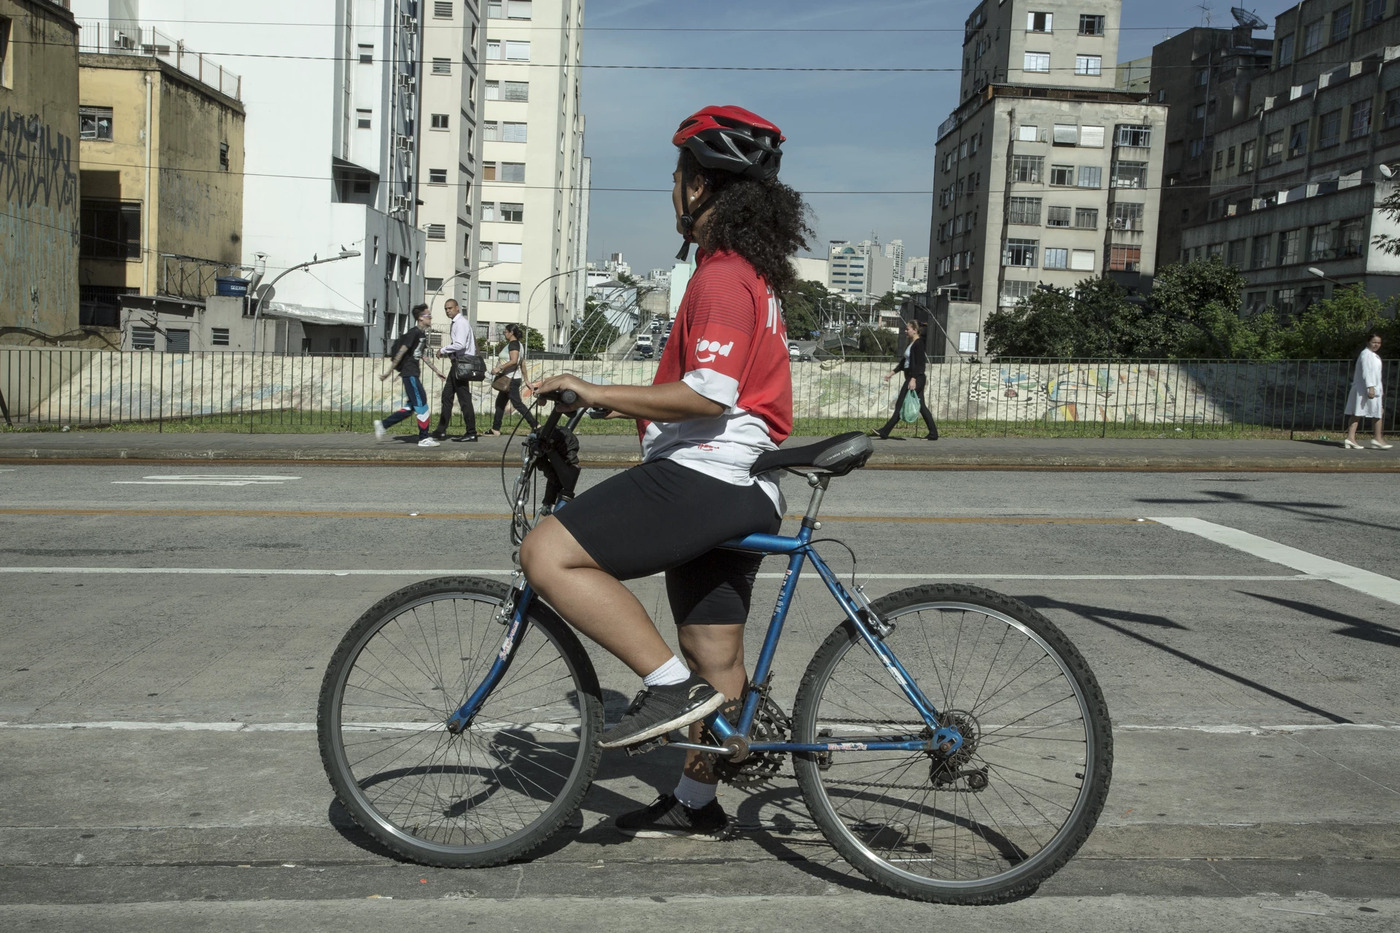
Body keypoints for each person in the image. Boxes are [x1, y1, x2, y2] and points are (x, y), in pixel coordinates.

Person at [519, 105, 810, 839]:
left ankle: (664, 686)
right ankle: (697, 801)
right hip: (741, 484)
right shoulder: (749, 277)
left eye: (678, 178)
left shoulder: (720, 277)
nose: (672, 192)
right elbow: (708, 392)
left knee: (545, 552)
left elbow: (706, 395)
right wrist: (615, 405)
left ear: (704, 187)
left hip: (707, 475)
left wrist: (595, 388)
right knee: (717, 656)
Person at [374, 305, 445, 448]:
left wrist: (436, 370)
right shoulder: (413, 333)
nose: (430, 318)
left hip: (413, 373)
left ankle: (382, 425)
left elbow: (422, 355)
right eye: (428, 316)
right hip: (409, 373)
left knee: (410, 407)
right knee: (422, 404)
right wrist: (389, 372)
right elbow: (401, 351)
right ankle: (424, 438)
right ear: (420, 318)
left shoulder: (422, 335)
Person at [869, 318, 939, 440]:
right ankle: (933, 433)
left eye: (908, 329)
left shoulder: (918, 344)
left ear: (915, 330)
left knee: (900, 404)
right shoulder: (912, 344)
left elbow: (920, 365)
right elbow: (904, 362)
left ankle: (885, 432)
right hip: (914, 378)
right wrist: (892, 373)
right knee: (921, 406)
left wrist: (913, 379)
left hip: (916, 378)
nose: (906, 331)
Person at [431, 299, 479, 442]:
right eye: (446, 309)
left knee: (464, 399)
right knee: (447, 396)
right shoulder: (457, 323)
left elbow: (460, 344)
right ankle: (441, 430)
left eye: (450, 308)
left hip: (462, 364)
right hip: (457, 364)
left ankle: (471, 432)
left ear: (457, 308)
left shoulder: (461, 323)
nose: (448, 311)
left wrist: (443, 350)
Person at [485, 323, 538, 435]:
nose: (504, 333)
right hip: (511, 378)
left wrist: (498, 368)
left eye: (506, 331)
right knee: (500, 404)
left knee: (517, 404)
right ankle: (495, 429)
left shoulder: (513, 344)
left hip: (510, 379)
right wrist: (527, 380)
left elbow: (514, 361)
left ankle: (536, 425)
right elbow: (522, 363)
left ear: (511, 332)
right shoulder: (519, 345)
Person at [1343, 332, 1391, 449]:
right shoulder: (1366, 354)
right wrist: (1370, 387)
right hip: (1365, 389)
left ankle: (1375, 439)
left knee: (1376, 412)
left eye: (1378, 343)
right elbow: (1367, 372)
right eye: (1374, 342)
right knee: (1359, 413)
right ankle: (1354, 438)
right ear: (1368, 342)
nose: (1376, 345)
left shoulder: (1373, 355)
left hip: (1372, 388)